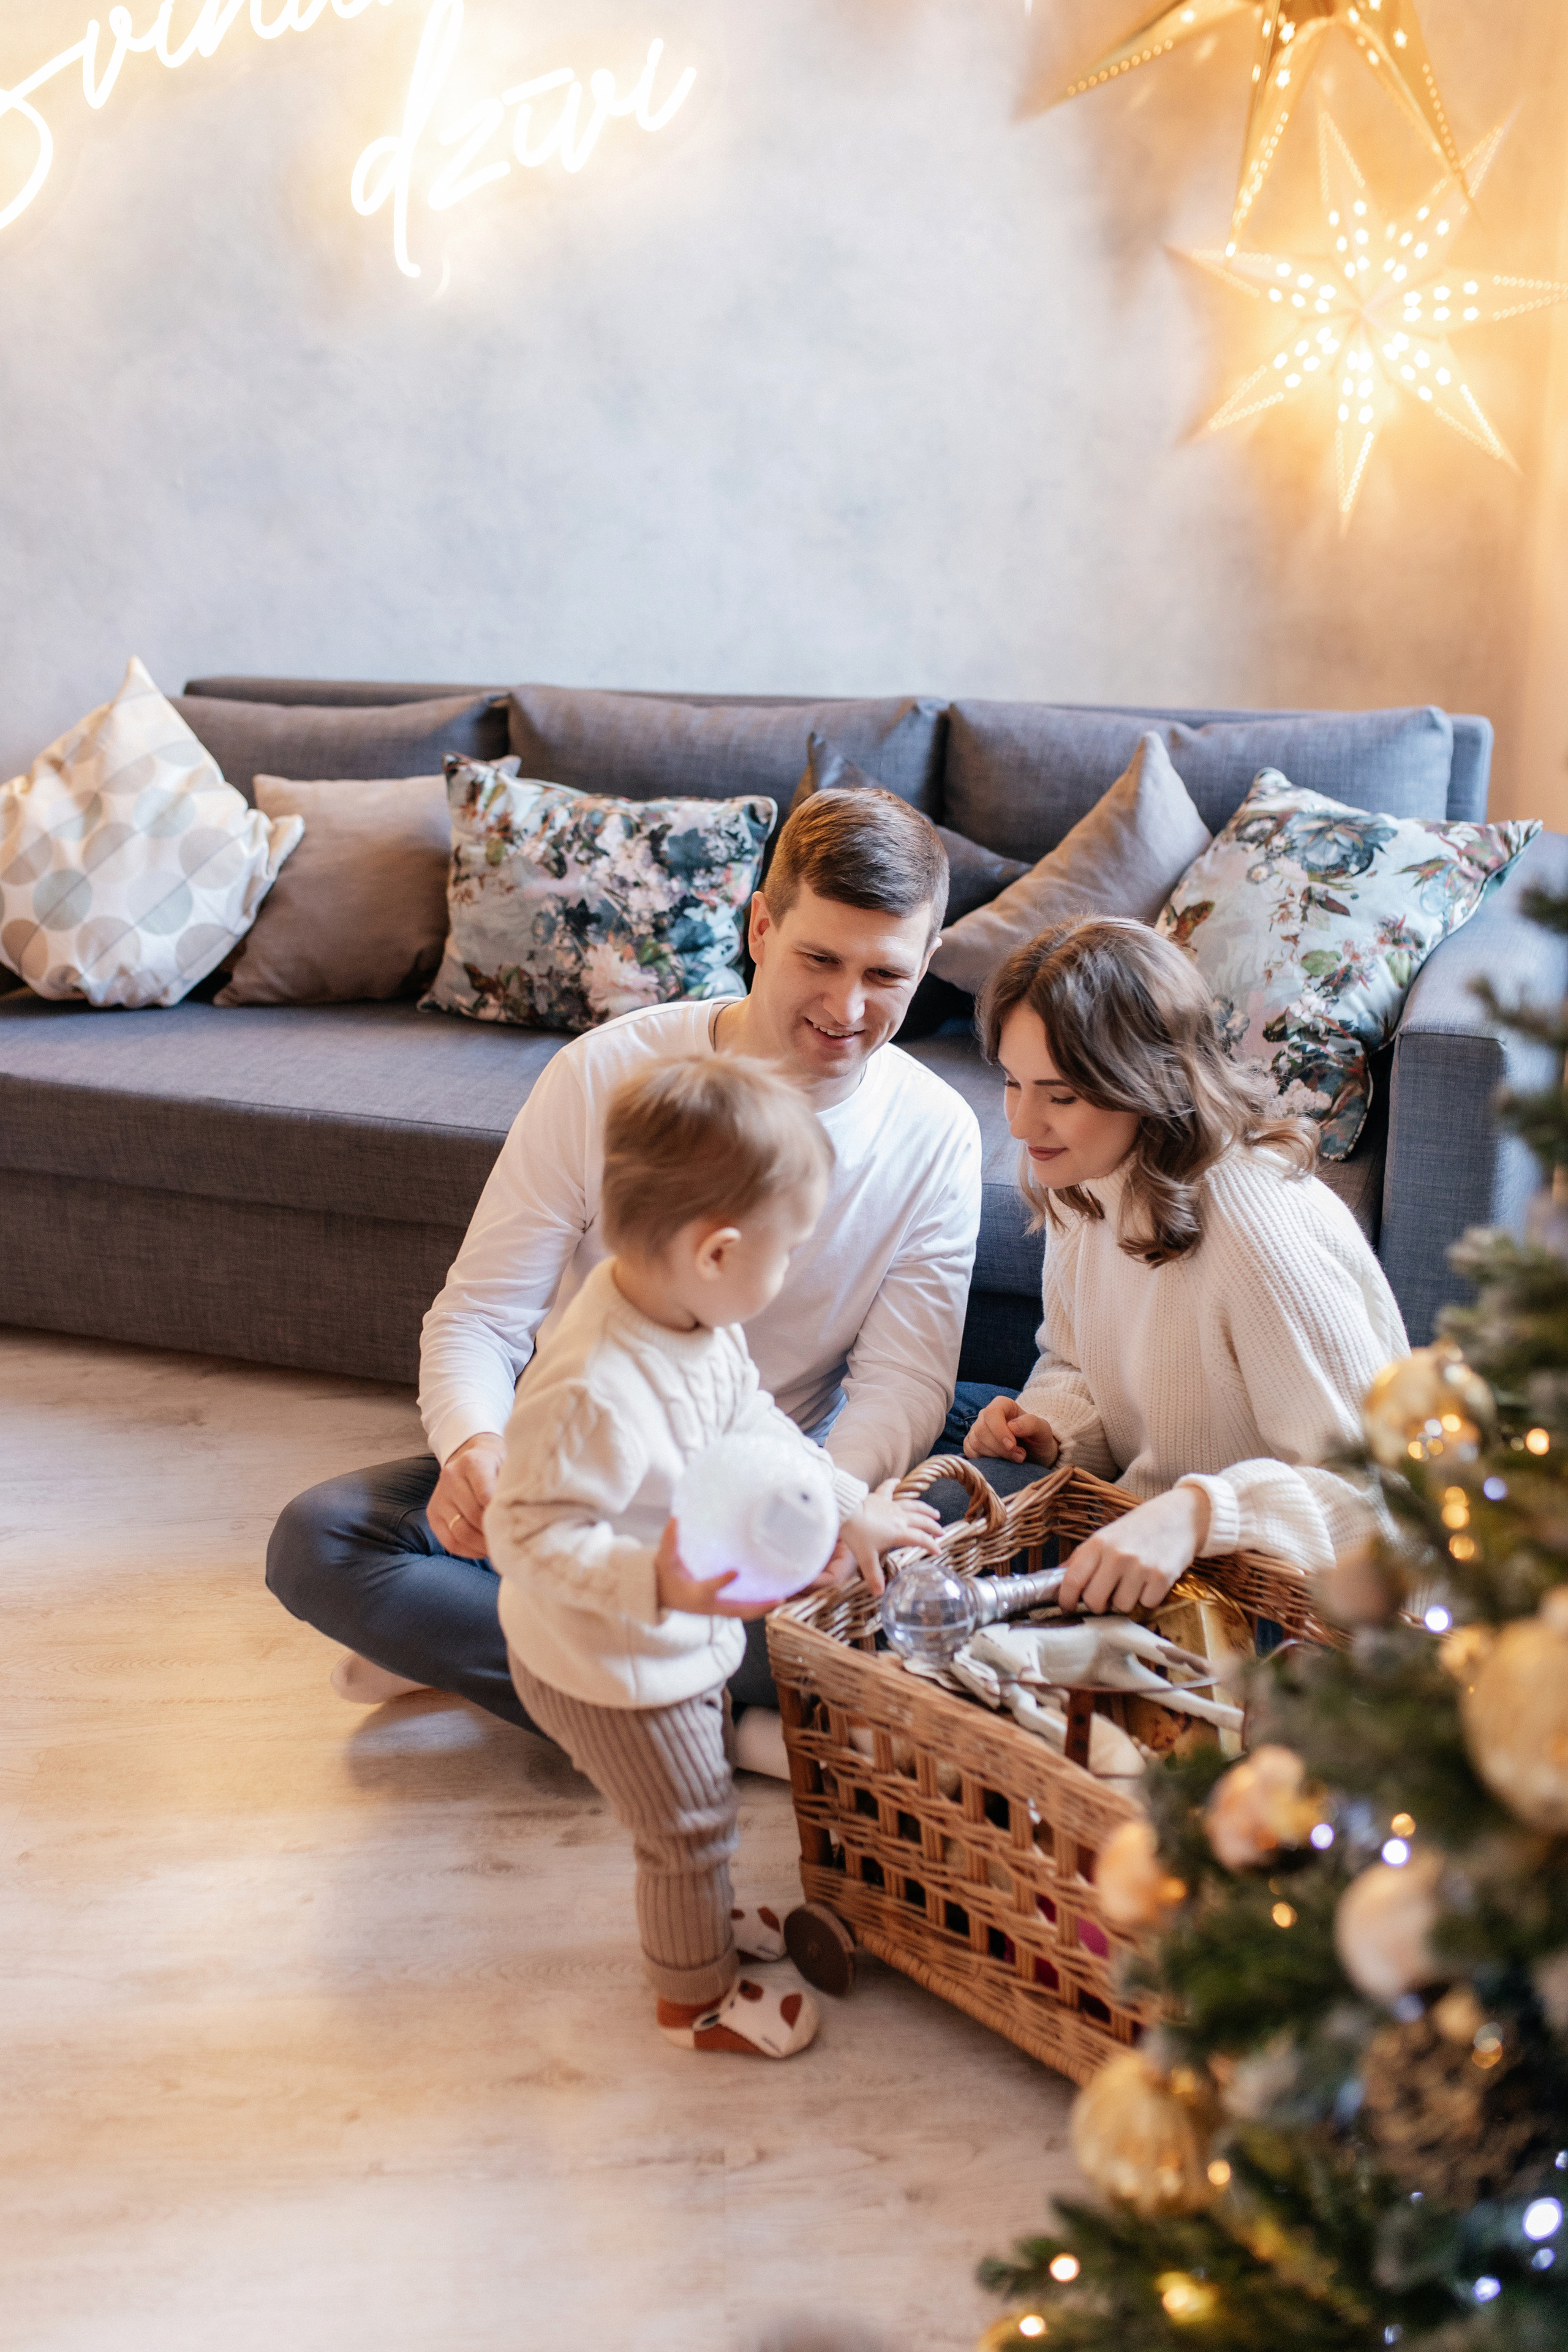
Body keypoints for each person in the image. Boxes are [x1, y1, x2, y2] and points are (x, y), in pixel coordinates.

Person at [265, 786, 982, 1747]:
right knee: (320, 1541)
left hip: (776, 1480)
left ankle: (499, 1661)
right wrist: (475, 1447)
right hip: (581, 1473)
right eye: (819, 958)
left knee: (925, 1570)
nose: (847, 1008)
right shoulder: (608, 1072)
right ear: (761, 925)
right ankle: (713, 1730)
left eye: (886, 974)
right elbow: (480, 1317)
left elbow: (902, 1383)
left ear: (929, 961)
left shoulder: (939, 1133)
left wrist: (818, 1513)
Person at [489, 1055, 939, 2059]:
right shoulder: (592, 1389)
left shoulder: (695, 1319)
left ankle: (705, 1914)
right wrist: (655, 1580)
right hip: (606, 1662)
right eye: (788, 1253)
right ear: (717, 1250)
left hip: (676, 1635)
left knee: (705, 1786)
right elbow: (523, 1534)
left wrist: (841, 1508)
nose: (791, 1273)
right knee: (689, 1825)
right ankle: (693, 2000)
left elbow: (750, 1422)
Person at [948, 917, 1408, 1609]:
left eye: (1060, 1095)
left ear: (1147, 1081)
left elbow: (1376, 1508)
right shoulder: (1083, 1174)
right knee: (928, 1477)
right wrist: (1049, 1429)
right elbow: (1075, 1364)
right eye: (1014, 1083)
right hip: (1146, 1537)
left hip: (1272, 1592)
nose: (1019, 1123)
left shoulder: (1258, 1232)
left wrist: (1200, 1513)